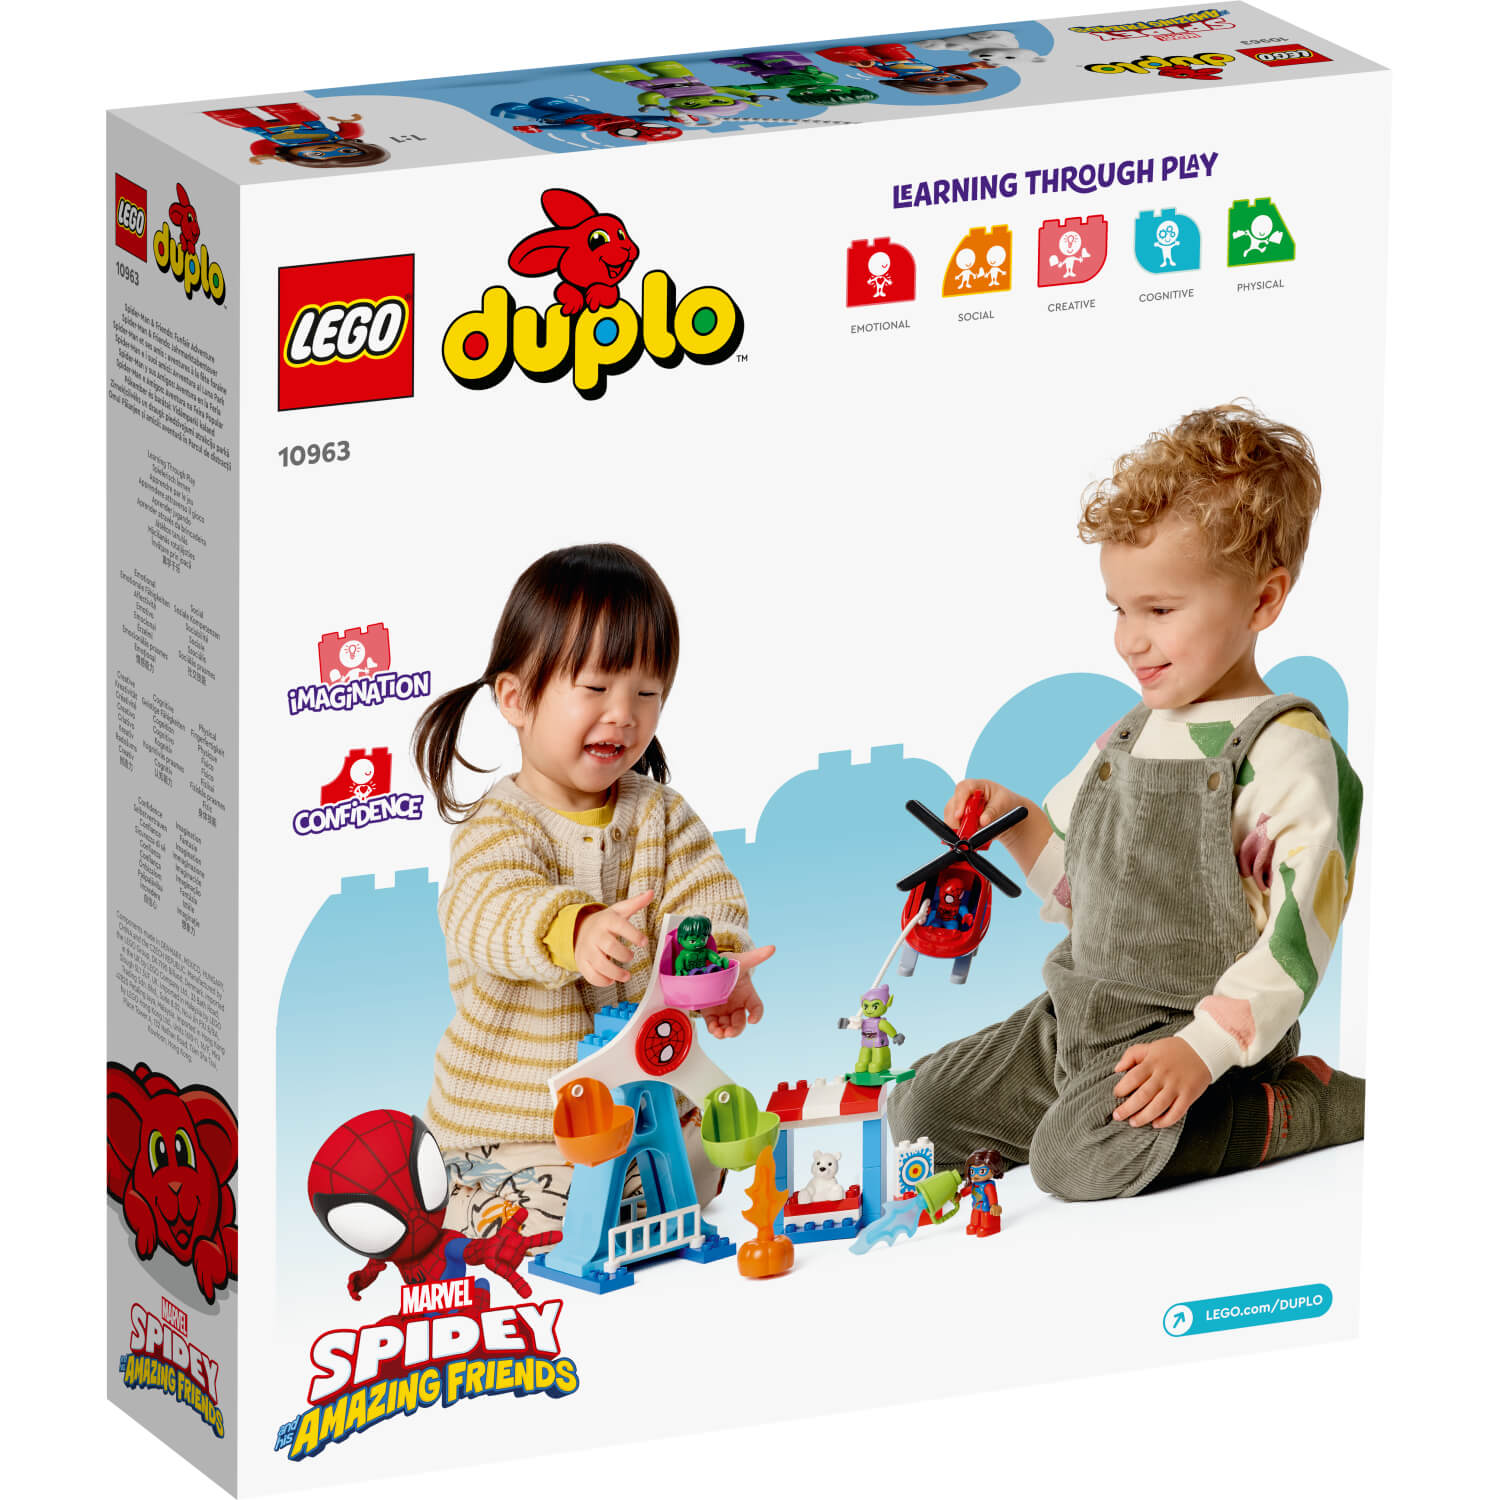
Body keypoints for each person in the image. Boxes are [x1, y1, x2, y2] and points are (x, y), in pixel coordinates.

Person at [888, 405, 1365, 1199]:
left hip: (1189, 1039)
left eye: (1159, 610)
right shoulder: (1129, 734)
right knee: (922, 1112)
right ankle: (1083, 1108)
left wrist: (1202, 1051)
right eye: (1119, 608)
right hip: (1076, 1021)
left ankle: (1299, 1106)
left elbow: (1296, 941)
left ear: (1262, 601)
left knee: (1073, 1164)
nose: (1128, 640)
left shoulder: (1285, 752)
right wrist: (1013, 821)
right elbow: (1082, 887)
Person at [413, 542, 771, 1230]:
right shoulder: (499, 825)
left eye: (646, 693)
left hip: (643, 1104)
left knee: (709, 1147)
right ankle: (506, 1194)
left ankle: (639, 1185)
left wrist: (717, 968)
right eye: (596, 687)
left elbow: (705, 900)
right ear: (517, 698)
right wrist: (570, 929)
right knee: (536, 1207)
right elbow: (485, 908)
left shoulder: (663, 815)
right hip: (519, 1126)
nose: (623, 714)